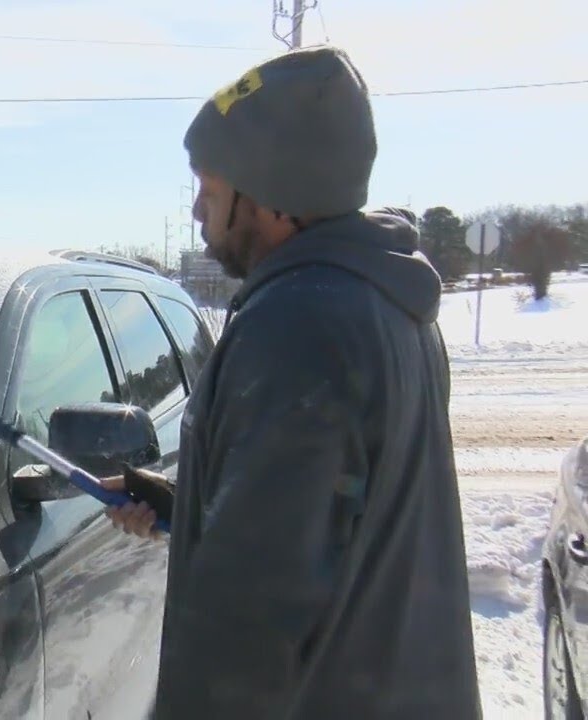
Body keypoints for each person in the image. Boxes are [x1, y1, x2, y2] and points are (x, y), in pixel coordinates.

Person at [103, 45, 482, 718]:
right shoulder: (385, 300)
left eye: (211, 190)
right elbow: (333, 509)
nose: (197, 211)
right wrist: (190, 505)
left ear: (271, 196)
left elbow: (246, 623)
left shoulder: (300, 327)